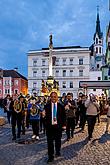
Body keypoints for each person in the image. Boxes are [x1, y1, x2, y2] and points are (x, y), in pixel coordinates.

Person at [44, 91, 66, 163]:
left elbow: (63, 116)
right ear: (50, 98)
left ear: (57, 97)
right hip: (49, 127)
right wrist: (43, 116)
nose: (53, 98)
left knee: (58, 141)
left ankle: (58, 151)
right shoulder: (46, 106)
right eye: (52, 97)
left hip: (58, 127)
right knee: (49, 143)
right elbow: (44, 118)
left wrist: (64, 125)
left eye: (55, 97)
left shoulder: (61, 106)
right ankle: (51, 156)